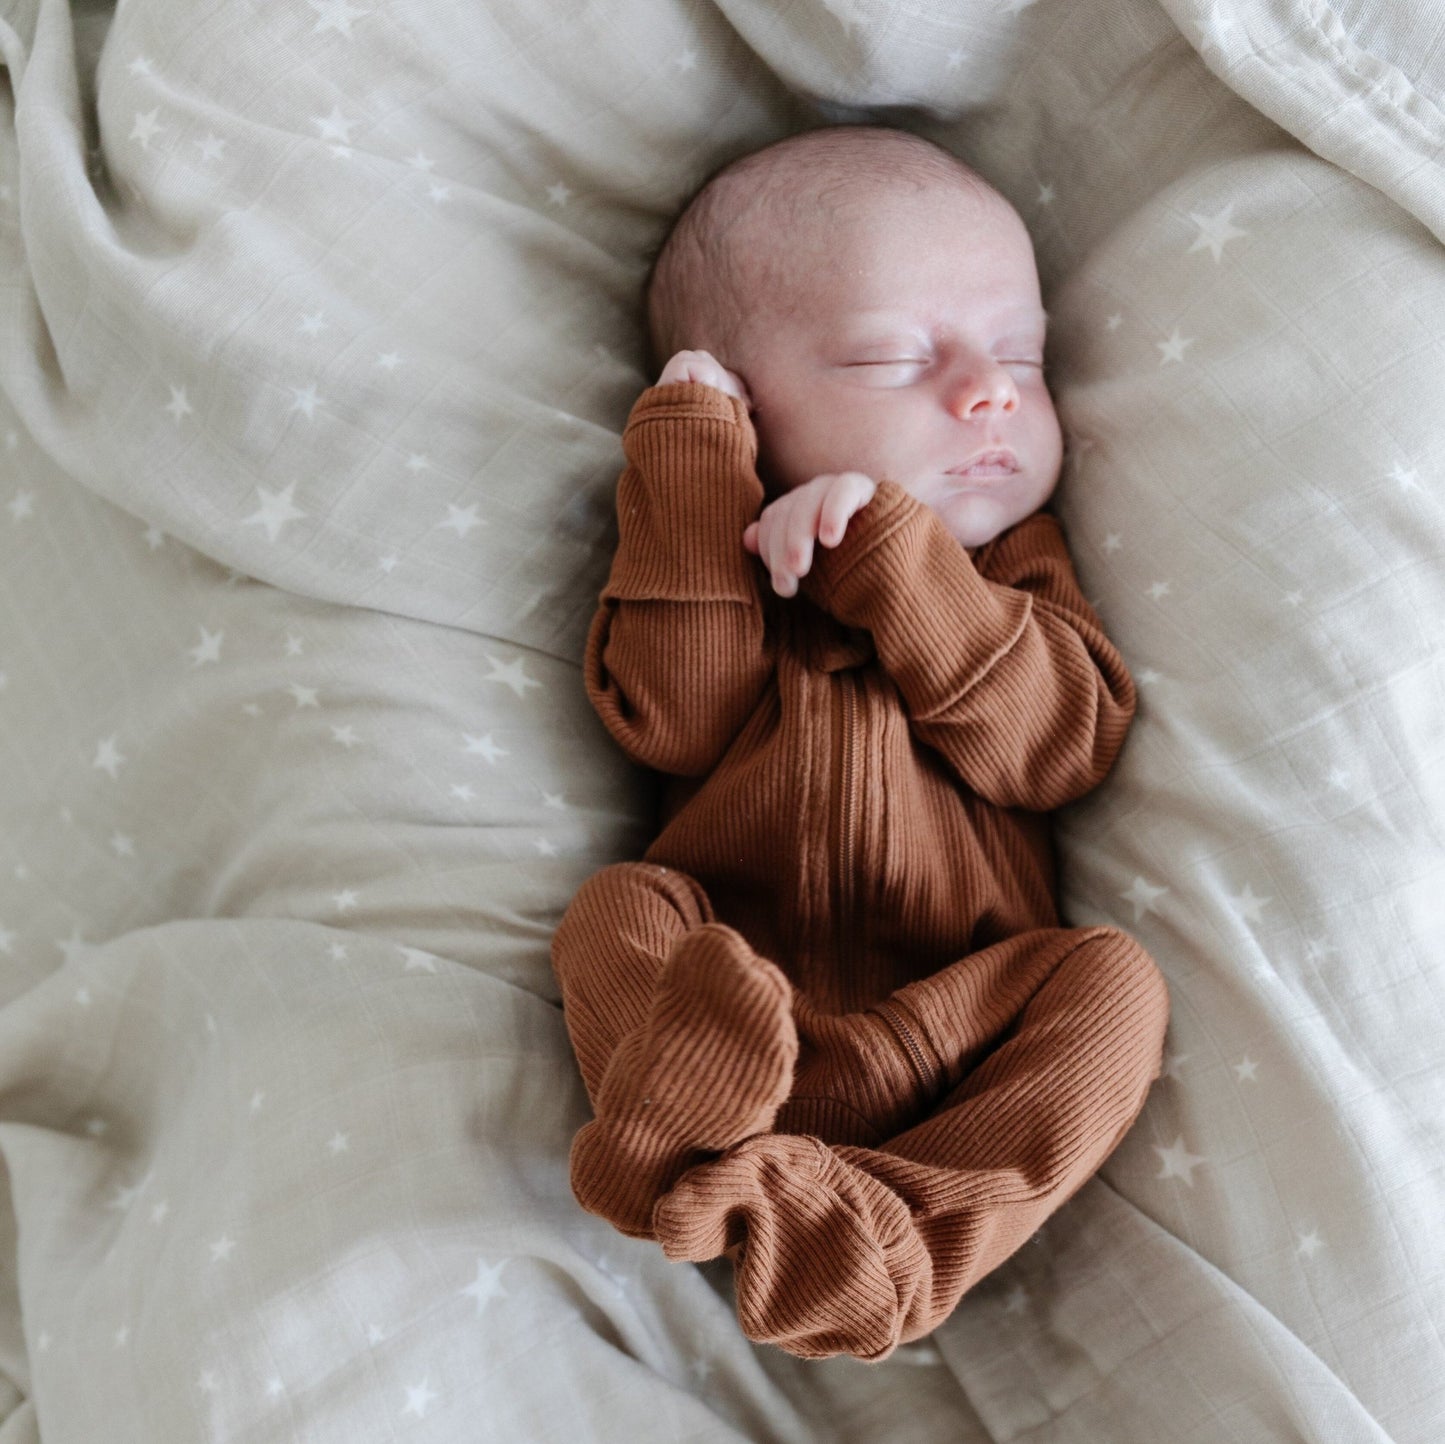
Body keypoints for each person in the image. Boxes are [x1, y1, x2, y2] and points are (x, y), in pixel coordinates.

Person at [550, 124, 1170, 1362]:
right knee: (614, 911)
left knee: (1113, 990)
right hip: (731, 1010)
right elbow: (665, 716)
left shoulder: (1013, 570)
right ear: (737, 396)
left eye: (1020, 357)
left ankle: (891, 1240)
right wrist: (688, 469)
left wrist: (904, 567)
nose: (987, 391)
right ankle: (676, 1128)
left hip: (962, 1020)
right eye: (895, 357)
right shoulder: (714, 555)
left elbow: (1059, 748)